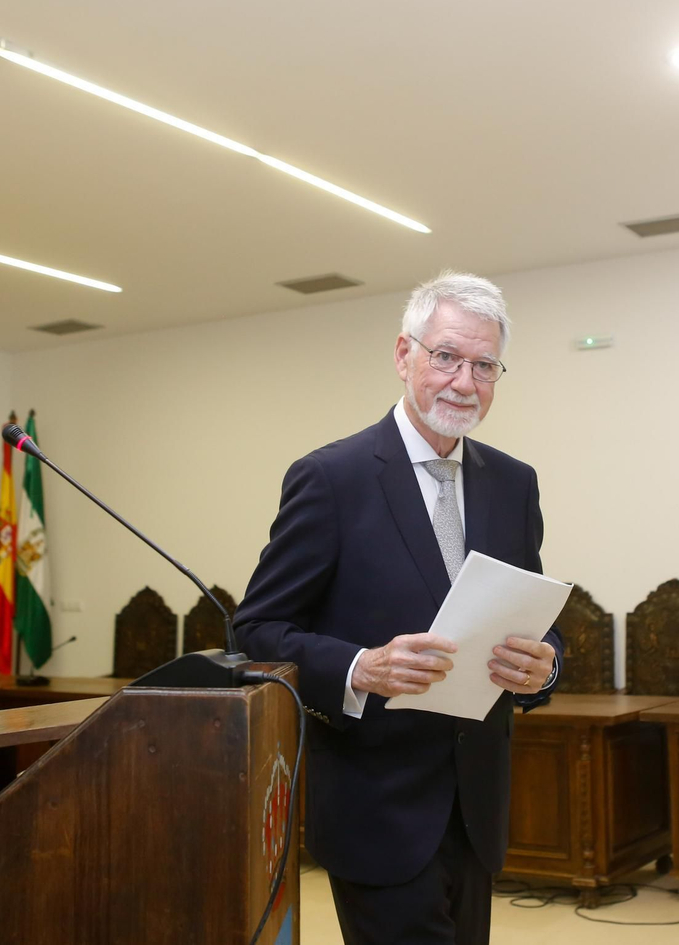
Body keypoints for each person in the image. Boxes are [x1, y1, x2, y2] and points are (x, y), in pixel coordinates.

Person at [234, 271, 563, 945]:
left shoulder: (513, 483)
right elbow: (256, 629)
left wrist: (546, 666)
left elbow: (532, 614)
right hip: (375, 810)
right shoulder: (332, 478)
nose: (464, 382)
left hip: (476, 809)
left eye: (484, 366)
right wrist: (360, 667)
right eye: (445, 357)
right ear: (403, 354)